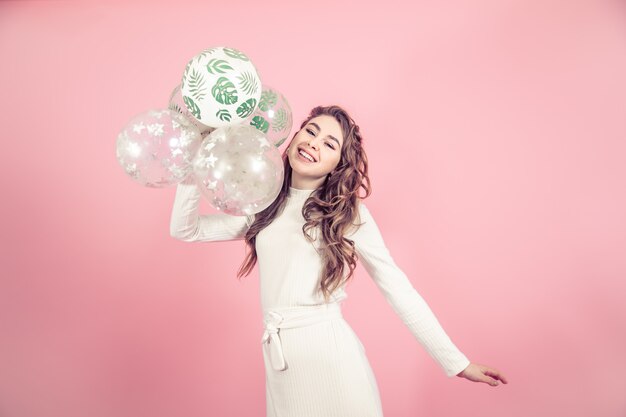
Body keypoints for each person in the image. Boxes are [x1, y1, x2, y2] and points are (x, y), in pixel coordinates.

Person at [170, 105, 508, 417]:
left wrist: (456, 362)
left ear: (337, 167)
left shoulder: (346, 215)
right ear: (292, 139)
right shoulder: (263, 203)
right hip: (280, 363)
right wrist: (192, 166)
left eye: (330, 144)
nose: (314, 143)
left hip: (330, 359)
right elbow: (186, 230)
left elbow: (397, 288)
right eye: (311, 131)